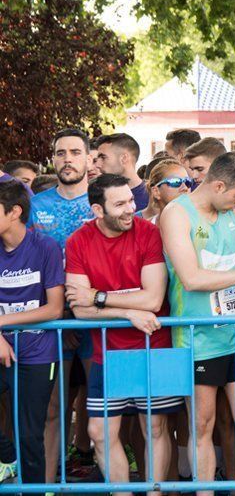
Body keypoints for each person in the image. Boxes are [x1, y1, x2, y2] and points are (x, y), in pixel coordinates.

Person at [159, 152, 235, 496]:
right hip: (197, 337)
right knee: (202, 424)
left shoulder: (234, 211)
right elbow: (191, 278)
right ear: (218, 185)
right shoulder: (176, 214)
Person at [65, 174, 182, 494]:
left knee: (155, 427)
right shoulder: (78, 241)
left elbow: (153, 299)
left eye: (131, 200)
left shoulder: (148, 233)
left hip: (153, 345)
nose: (131, 208)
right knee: (99, 432)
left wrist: (99, 297)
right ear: (97, 210)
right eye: (120, 204)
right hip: (109, 352)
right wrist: (127, 311)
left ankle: (154, 492)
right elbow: (80, 309)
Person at [29, 128, 96, 483]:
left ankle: (112, 483)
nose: (67, 159)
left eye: (74, 152)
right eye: (60, 153)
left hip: (99, 320)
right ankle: (49, 485)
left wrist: (82, 314)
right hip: (52, 323)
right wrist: (62, 316)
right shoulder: (35, 207)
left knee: (105, 409)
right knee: (53, 409)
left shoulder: (101, 202)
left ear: (88, 158)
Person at [0, 180, 64, 484]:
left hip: (38, 352)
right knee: (17, 439)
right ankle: (7, 457)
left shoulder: (45, 246)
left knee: (29, 434)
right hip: (3, 347)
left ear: (14, 212)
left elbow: (54, 309)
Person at [93, 133, 150, 211]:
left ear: (124, 158)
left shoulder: (153, 197)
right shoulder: (97, 195)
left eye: (103, 157)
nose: (97, 165)